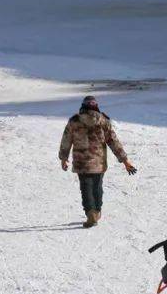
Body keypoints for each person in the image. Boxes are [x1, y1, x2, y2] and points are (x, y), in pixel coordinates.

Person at [58, 96, 137, 228]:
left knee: (86, 188)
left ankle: (91, 214)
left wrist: (64, 157)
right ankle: (97, 211)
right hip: (98, 162)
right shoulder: (103, 120)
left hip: (81, 162)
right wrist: (125, 160)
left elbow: (66, 139)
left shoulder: (74, 121)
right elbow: (113, 141)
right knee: (97, 186)